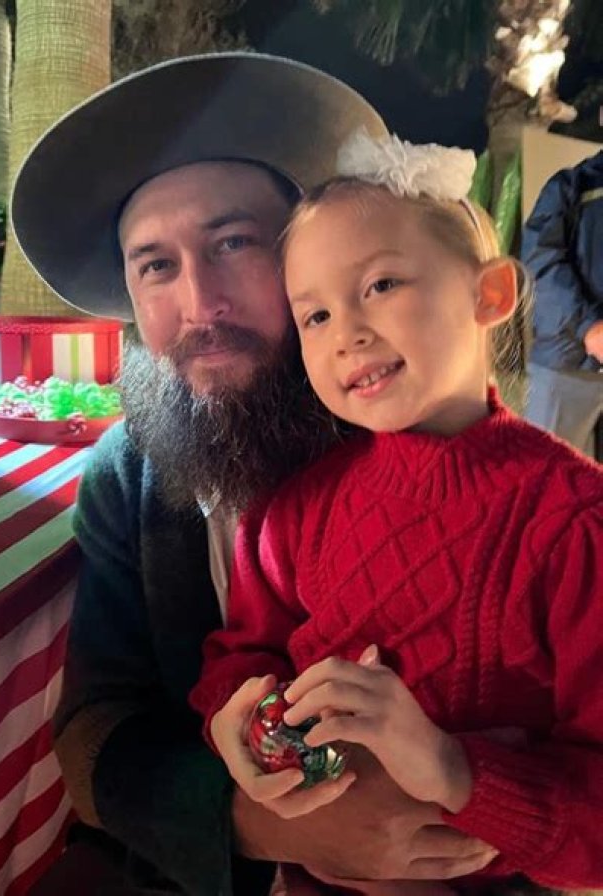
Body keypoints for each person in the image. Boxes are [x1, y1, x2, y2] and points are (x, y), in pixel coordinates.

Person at [12, 55, 497, 896]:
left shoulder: (454, 451)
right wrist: (256, 822)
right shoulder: (127, 475)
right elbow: (97, 730)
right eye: (155, 265)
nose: (201, 304)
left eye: (234, 243)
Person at [190, 132, 603, 893]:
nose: (347, 333)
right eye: (314, 315)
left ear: (490, 295)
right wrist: (237, 720)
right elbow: (244, 657)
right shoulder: (291, 512)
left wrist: (453, 767)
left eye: (380, 284)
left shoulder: (575, 523)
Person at [522, 148, 603, 460]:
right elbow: (539, 263)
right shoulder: (571, 187)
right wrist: (588, 327)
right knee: (545, 471)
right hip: (567, 366)